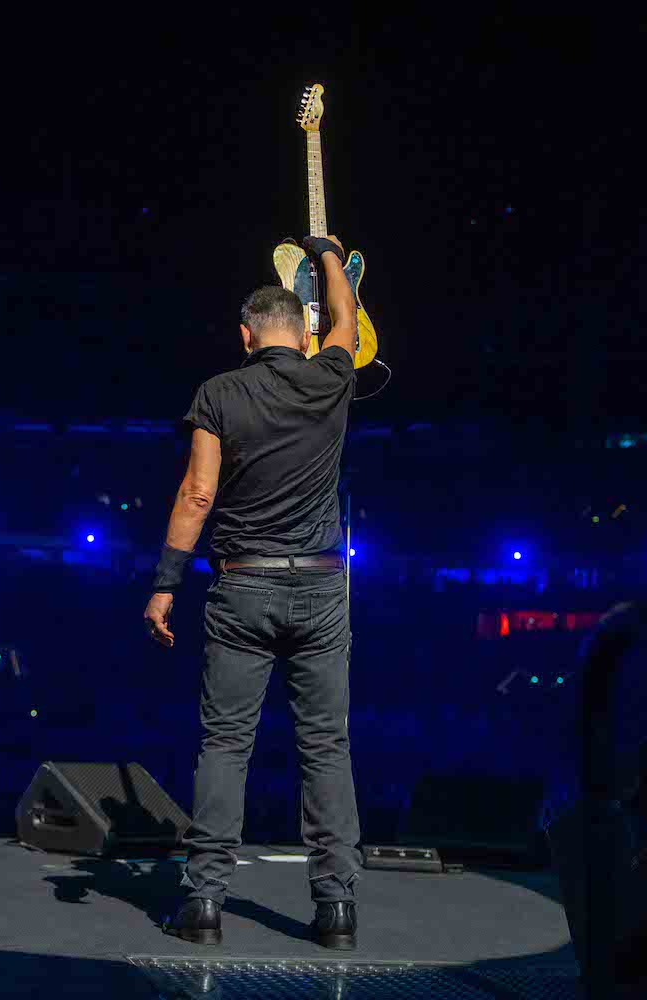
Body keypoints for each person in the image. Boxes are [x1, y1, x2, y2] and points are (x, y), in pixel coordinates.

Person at [144, 235, 364, 950]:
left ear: (245, 337)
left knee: (227, 745)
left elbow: (198, 492)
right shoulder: (332, 374)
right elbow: (347, 319)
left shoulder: (219, 392)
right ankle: (335, 911)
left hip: (242, 588)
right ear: (301, 334)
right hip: (323, 587)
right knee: (326, 747)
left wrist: (165, 585)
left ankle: (204, 904)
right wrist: (329, 256)